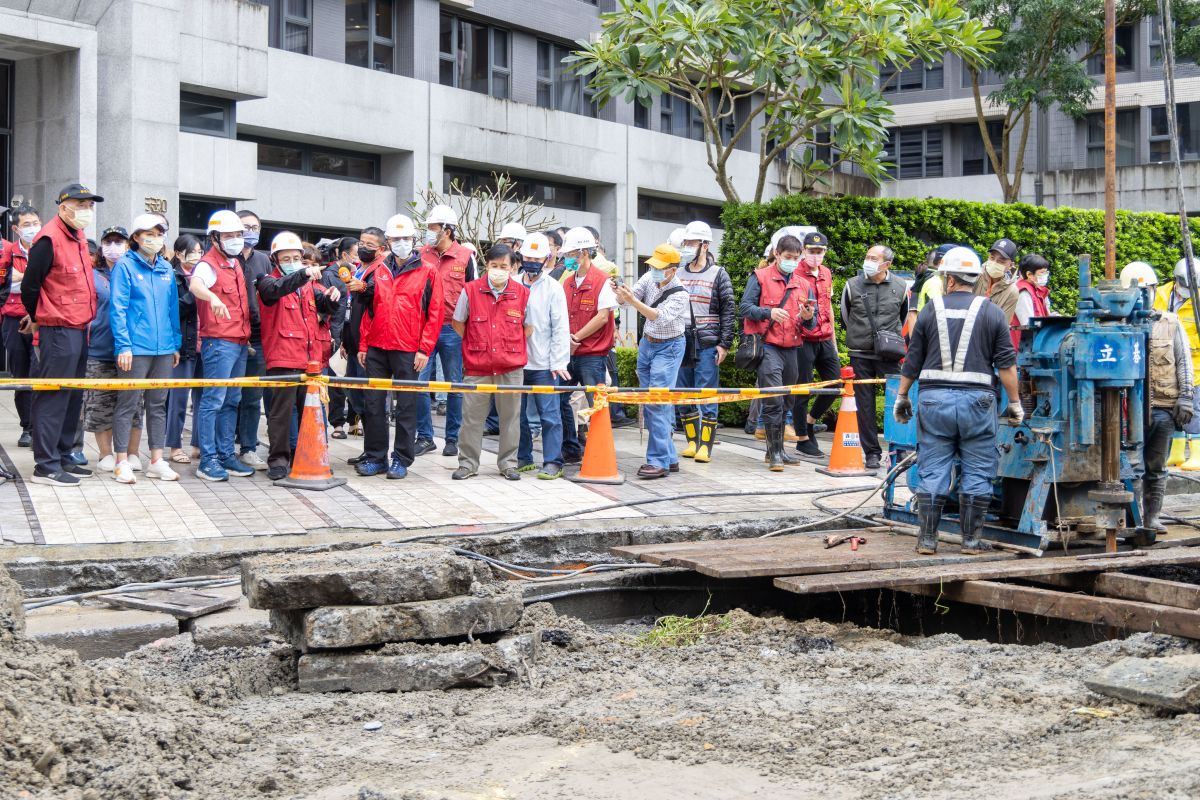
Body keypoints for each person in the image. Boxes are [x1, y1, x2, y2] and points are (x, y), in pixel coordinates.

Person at [894, 246, 1021, 556]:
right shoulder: (991, 311)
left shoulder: (929, 310)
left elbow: (913, 359)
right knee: (978, 470)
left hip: (934, 401)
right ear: (974, 277)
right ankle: (971, 541)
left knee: (934, 467)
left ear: (949, 279)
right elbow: (1006, 364)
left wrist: (901, 396)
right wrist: (1015, 402)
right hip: (977, 403)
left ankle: (927, 539)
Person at [21, 184, 103, 486]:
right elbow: (31, 286)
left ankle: (64, 454)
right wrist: (41, 315)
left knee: (72, 395)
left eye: (89, 205)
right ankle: (45, 465)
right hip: (58, 328)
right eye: (80, 204)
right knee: (53, 396)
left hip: (80, 327)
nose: (86, 210)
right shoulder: (48, 238)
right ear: (63, 206)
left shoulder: (77, 236)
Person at [358, 215, 442, 479]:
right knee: (372, 403)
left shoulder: (428, 270)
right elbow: (369, 310)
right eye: (396, 239)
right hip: (376, 346)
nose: (401, 243)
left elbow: (435, 313)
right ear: (388, 241)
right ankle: (375, 457)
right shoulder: (379, 269)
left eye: (406, 238)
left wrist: (425, 349)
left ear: (414, 240)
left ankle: (402, 459)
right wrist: (363, 344)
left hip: (409, 348)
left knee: (406, 405)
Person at [256, 232, 341, 480]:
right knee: (280, 414)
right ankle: (278, 460)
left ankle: (310, 456)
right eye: (287, 257)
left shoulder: (307, 286)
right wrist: (302, 274)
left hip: (311, 359)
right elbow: (278, 289)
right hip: (283, 358)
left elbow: (324, 307)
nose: (294, 261)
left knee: (312, 413)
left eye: (297, 257)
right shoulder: (267, 282)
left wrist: (332, 298)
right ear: (275, 259)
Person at [108, 215, 182, 483]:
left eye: (159, 233)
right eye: (148, 233)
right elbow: (118, 308)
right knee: (128, 403)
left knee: (158, 404)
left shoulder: (165, 268)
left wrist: (175, 343)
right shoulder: (124, 266)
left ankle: (156, 460)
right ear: (136, 237)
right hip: (135, 348)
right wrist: (123, 345)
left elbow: (173, 309)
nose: (154, 238)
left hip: (163, 348)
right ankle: (121, 460)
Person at [1121, 261, 1193, 533]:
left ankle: (1152, 517)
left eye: (1148, 289)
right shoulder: (1117, 325)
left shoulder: (1170, 323)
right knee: (1133, 467)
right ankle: (1134, 519)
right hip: (1128, 410)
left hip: (1162, 408)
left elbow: (1184, 363)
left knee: (1156, 467)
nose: (1144, 295)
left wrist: (1186, 397)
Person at [450, 244, 531, 481]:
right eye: (494, 266)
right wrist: (477, 342)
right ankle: (467, 464)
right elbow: (458, 322)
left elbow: (529, 328)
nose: (498, 270)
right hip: (477, 365)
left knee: (510, 418)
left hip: (511, 366)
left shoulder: (523, 293)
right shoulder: (471, 290)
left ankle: (508, 463)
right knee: (472, 418)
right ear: (487, 265)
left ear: (513, 267)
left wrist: (507, 346)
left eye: (504, 266)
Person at [189, 209, 255, 482]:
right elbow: (195, 285)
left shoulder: (235, 263)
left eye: (239, 234)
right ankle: (208, 459)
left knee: (232, 400)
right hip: (219, 343)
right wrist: (212, 299)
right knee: (213, 401)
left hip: (239, 342)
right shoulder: (208, 264)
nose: (236, 240)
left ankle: (227, 455)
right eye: (229, 235)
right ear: (215, 238)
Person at [617, 243, 690, 479]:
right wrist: (620, 293)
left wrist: (632, 301)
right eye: (654, 266)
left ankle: (658, 461)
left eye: (661, 268)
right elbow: (629, 298)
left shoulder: (680, 293)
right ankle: (669, 456)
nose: (655, 271)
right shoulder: (649, 277)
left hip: (669, 347)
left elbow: (656, 316)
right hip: (647, 344)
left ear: (673, 269)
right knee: (653, 403)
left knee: (657, 402)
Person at [740, 234, 808, 471]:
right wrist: (768, 313)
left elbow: (810, 322)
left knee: (788, 398)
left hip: (792, 346)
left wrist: (808, 317)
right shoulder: (759, 277)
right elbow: (745, 308)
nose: (792, 262)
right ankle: (776, 452)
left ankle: (775, 450)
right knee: (773, 398)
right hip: (767, 345)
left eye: (796, 258)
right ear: (777, 254)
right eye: (788, 257)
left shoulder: (802, 283)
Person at [840, 244, 908, 470]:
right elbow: (846, 316)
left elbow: (904, 315)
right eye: (867, 256)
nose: (867, 260)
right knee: (864, 405)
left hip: (889, 352)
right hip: (860, 352)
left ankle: (899, 448)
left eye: (873, 257)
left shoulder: (900, 286)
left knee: (897, 399)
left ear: (886, 264)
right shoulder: (852, 285)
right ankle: (871, 452)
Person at [414, 204, 475, 458]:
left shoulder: (465, 256)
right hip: (424, 328)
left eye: (433, 228)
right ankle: (425, 437)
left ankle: (453, 438)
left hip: (453, 328)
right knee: (418, 383)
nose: (429, 232)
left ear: (448, 230)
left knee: (454, 385)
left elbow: (473, 294)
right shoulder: (420, 255)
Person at [83, 225, 143, 473]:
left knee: (134, 404)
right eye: (108, 241)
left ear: (128, 244)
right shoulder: (93, 275)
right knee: (101, 404)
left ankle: (132, 453)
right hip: (100, 347)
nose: (114, 247)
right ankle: (106, 453)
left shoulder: (135, 269)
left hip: (135, 348)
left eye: (119, 242)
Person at [557, 227, 618, 464]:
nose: (567, 259)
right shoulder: (567, 283)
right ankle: (570, 448)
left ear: (583, 252)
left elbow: (603, 316)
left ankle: (601, 451)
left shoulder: (602, 281)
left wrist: (576, 339)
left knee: (597, 403)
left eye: (570, 254)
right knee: (561, 399)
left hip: (592, 354)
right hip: (569, 353)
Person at [675, 220, 734, 462]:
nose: (686, 247)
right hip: (681, 342)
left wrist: (724, 344)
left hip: (708, 343)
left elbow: (729, 310)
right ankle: (692, 442)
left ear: (705, 245)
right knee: (684, 394)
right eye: (685, 243)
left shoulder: (719, 273)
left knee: (707, 394)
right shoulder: (677, 272)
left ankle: (706, 446)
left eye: (691, 243)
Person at [515, 233, 570, 479]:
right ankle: (523, 458)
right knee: (517, 415)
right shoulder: (512, 283)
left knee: (550, 416)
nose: (532, 261)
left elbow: (560, 327)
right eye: (527, 257)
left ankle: (552, 461)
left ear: (546, 259)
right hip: (515, 363)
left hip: (545, 365)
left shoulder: (553, 288)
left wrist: (558, 362)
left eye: (537, 258)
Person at [793, 231, 839, 460]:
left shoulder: (826, 273)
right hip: (803, 338)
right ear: (803, 251)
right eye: (811, 251)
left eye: (819, 252)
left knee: (836, 383)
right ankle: (802, 438)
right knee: (803, 389)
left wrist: (834, 340)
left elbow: (828, 305)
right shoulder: (795, 273)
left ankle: (810, 422)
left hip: (825, 337)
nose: (815, 255)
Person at [1154, 257, 1200, 470]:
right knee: (1175, 410)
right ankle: (1177, 453)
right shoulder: (1161, 294)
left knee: (1194, 409)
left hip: (1196, 366)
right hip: (1167, 365)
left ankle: (1198, 453)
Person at [234, 210, 271, 471]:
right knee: (226, 396)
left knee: (251, 397)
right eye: (245, 226)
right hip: (230, 337)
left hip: (258, 337)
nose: (251, 231)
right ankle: (220, 448)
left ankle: (248, 447)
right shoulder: (226, 258)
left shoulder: (263, 260)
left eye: (255, 226)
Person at [1, 204, 40, 447]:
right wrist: (12, 279)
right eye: (27, 225)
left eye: (36, 223)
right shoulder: (7, 252)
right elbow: (5, 283)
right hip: (13, 320)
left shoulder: (45, 248)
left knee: (39, 374)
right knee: (21, 374)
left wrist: (21, 278)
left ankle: (39, 426)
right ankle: (27, 427)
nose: (33, 228)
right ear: (15, 228)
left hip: (39, 320)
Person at [165, 234, 202, 465]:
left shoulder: (204, 275)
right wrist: (195, 293)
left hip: (206, 343)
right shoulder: (172, 276)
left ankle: (198, 443)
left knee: (204, 397)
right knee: (178, 398)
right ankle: (174, 445)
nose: (198, 256)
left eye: (200, 251)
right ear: (179, 254)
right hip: (183, 345)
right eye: (193, 251)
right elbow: (172, 310)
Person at [326, 237, 360, 439]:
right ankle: (337, 423)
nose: (358, 258)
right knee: (337, 379)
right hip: (336, 332)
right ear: (345, 254)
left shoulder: (360, 273)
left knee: (356, 379)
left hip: (355, 333)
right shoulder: (330, 275)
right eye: (356, 254)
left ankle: (354, 422)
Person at [903, 244, 955, 336]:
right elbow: (936, 318)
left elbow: (912, 313)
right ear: (941, 262)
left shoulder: (924, 278)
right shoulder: (934, 282)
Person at [974, 238, 1020, 323]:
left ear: (1010, 265)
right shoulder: (976, 275)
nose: (994, 262)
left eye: (1001, 261)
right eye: (992, 258)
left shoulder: (1012, 291)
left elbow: (1003, 325)